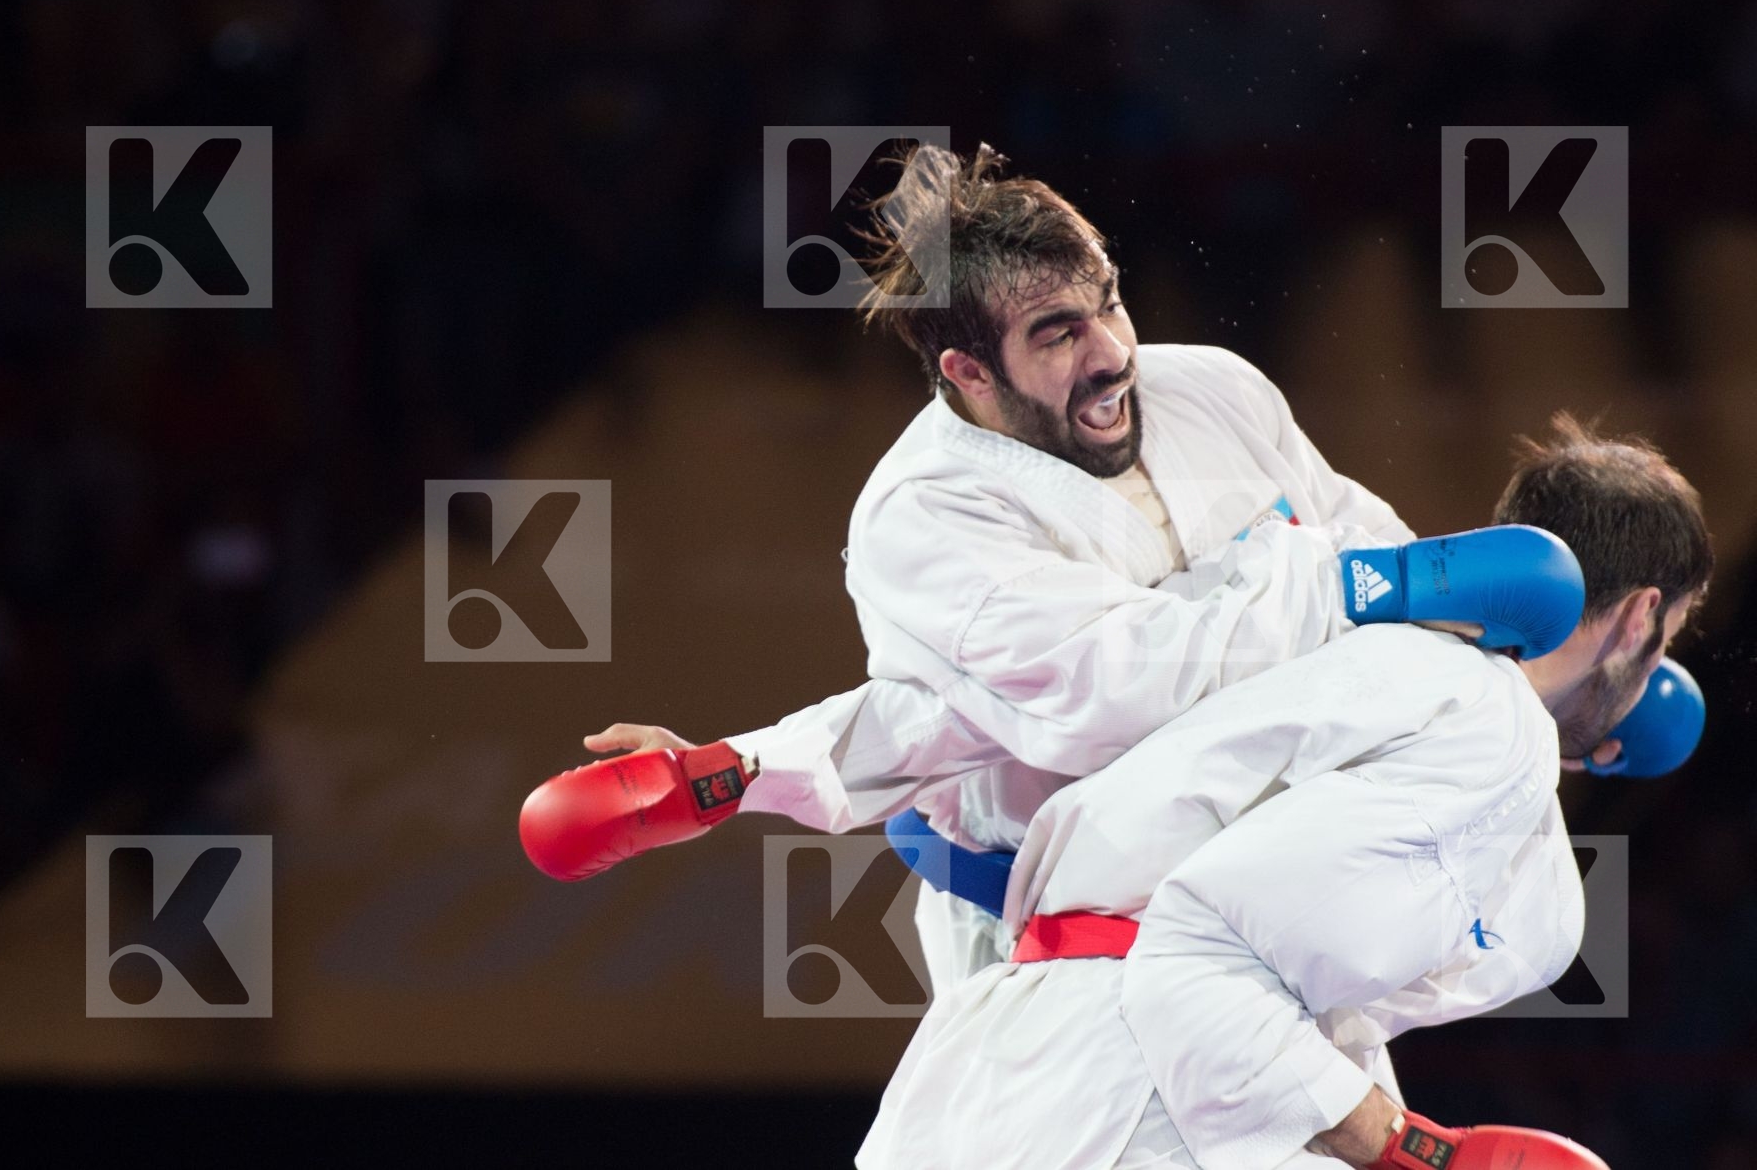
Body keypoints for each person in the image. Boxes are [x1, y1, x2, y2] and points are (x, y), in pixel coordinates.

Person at [523, 144, 1586, 996]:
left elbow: (1375, 550)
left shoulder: (1214, 390)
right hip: (1051, 940)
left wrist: (1548, 679)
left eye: (1111, 301)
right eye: (1059, 333)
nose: (1112, 351)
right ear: (970, 372)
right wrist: (1352, 589)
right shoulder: (926, 516)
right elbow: (1122, 690)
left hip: (1266, 901)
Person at [856, 414, 1713, 1170]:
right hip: (1127, 1092)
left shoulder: (1318, 605)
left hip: (985, 1071)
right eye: (1668, 635)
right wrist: (1412, 1146)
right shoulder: (1495, 734)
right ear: (1640, 616)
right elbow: (1198, 961)